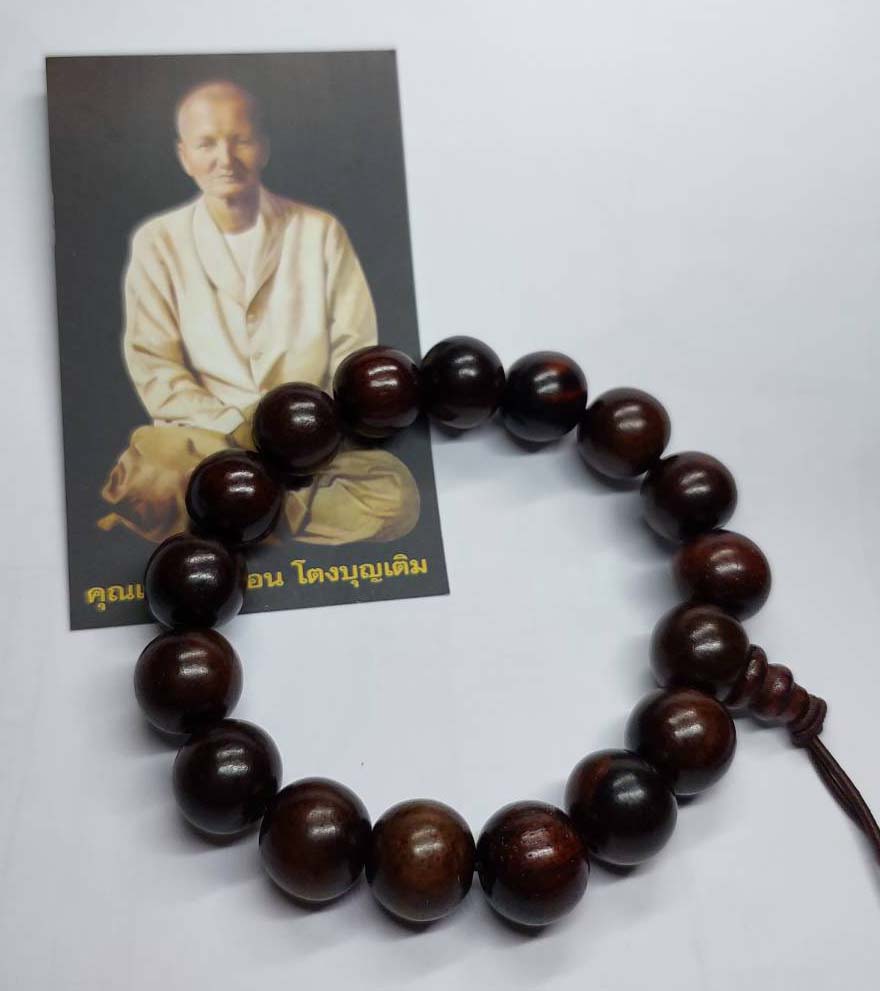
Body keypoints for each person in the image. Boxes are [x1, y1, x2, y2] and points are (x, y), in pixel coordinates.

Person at [98, 80, 420, 544]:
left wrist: (306, 435)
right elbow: (155, 364)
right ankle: (263, 507)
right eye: (206, 144)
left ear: (264, 147)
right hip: (207, 437)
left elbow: (355, 351)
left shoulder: (319, 231)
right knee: (151, 474)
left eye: (241, 140)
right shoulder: (158, 241)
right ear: (184, 155)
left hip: (311, 440)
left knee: (396, 498)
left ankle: (235, 510)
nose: (225, 159)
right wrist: (233, 427)